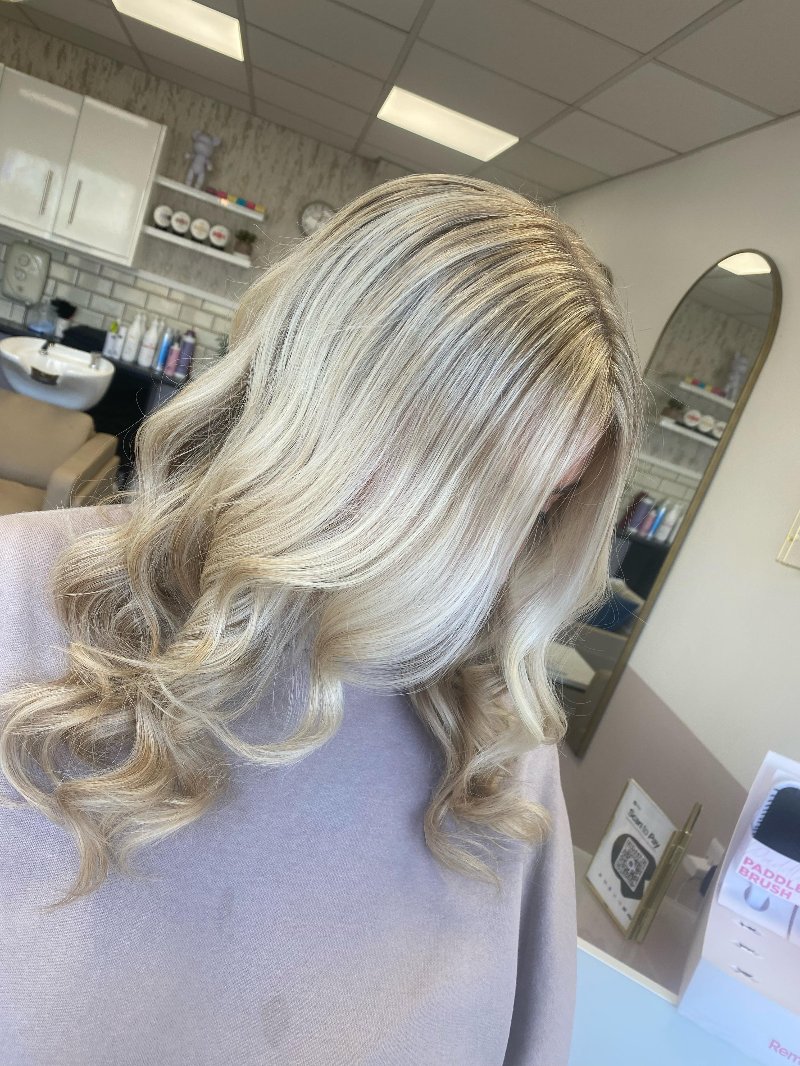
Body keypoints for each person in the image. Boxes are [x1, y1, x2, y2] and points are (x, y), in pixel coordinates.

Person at [0, 174, 642, 1065]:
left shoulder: (494, 756)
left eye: (532, 508)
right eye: (452, 484)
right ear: (320, 397)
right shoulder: (22, 597)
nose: (475, 564)